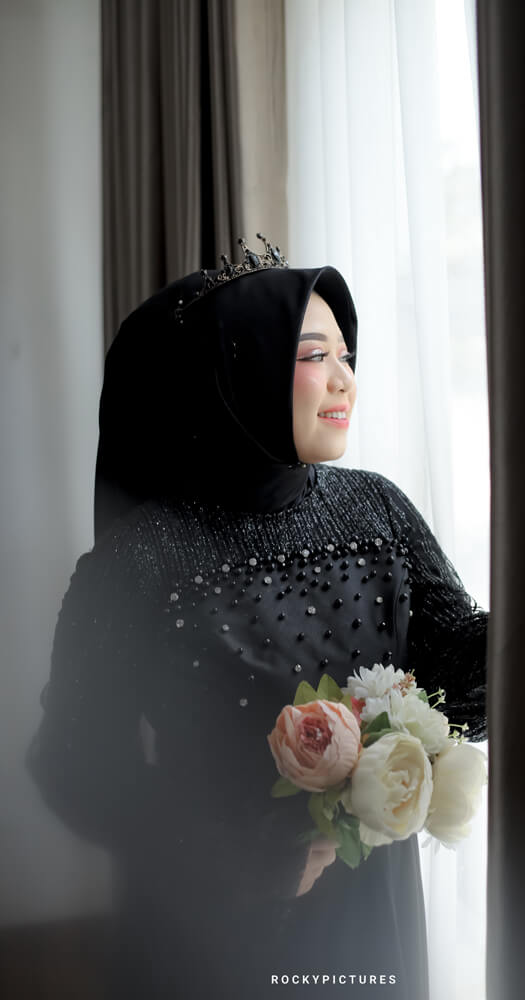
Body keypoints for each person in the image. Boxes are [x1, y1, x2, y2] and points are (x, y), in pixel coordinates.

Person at [26, 237, 488, 999]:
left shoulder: (376, 504)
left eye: (346, 356)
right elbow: (73, 763)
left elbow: (454, 679)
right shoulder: (140, 561)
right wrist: (234, 856)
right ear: (230, 371)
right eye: (313, 356)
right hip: (214, 916)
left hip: (372, 894)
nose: (344, 381)